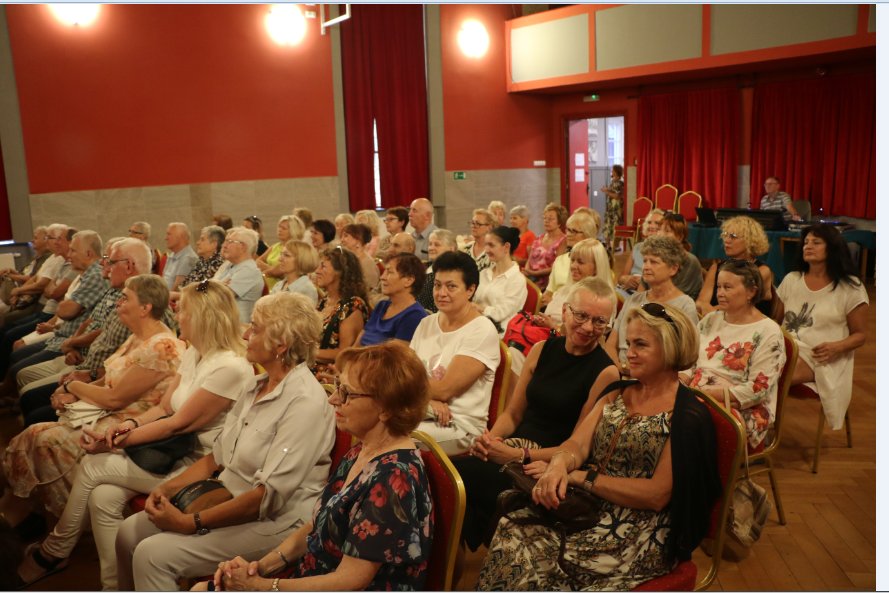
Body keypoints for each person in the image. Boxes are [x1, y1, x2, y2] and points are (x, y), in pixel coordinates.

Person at [14, 280, 255, 590]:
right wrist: (129, 425)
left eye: (182, 311)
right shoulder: (196, 352)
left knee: (92, 465)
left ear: (202, 317)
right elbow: (164, 407)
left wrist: (113, 441)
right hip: (172, 451)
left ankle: (54, 551)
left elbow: (177, 424)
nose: (176, 316)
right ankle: (114, 585)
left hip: (200, 464)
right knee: (102, 497)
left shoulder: (230, 367)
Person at [476, 302, 721, 590]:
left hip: (637, 531)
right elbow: (577, 445)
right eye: (629, 343)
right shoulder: (617, 391)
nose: (629, 353)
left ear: (671, 348)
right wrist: (559, 465)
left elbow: (656, 495)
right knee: (510, 525)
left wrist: (580, 477)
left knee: (529, 548)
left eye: (641, 344)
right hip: (587, 507)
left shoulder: (686, 415)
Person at [115, 291, 336, 591]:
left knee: (153, 555)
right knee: (129, 532)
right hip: (226, 496)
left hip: (276, 522)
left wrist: (191, 522)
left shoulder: (304, 403)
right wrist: (165, 489)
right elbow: (216, 457)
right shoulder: (256, 385)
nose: (245, 335)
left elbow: (265, 498)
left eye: (255, 329)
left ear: (281, 344)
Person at [195, 342, 433, 592]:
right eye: (337, 387)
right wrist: (259, 568)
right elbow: (317, 526)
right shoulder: (361, 451)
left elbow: (351, 581)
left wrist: (265, 586)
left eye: (347, 393)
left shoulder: (394, 478)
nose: (333, 399)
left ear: (386, 408)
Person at [452, 278, 620, 565]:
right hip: (514, 450)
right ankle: (449, 565)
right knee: (449, 480)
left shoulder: (606, 372)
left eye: (599, 321)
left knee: (454, 479)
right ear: (565, 311)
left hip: (545, 464)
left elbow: (578, 446)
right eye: (581, 315)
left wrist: (516, 454)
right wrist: (491, 440)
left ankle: (448, 567)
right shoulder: (542, 349)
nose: (588, 327)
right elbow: (513, 414)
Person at [2, 275, 185, 519]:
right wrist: (75, 391)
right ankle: (39, 513)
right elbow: (110, 378)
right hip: (108, 412)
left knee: (40, 437)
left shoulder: (162, 346)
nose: (118, 303)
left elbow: (115, 399)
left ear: (145, 308)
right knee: (34, 433)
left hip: (128, 426)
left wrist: (72, 387)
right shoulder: (139, 336)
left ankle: (59, 517)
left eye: (125, 298)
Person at [17, 239, 176, 429]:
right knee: (31, 398)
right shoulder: (127, 307)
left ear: (128, 266)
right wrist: (79, 364)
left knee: (34, 408)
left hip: (119, 408)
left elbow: (118, 394)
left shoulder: (151, 321)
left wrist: (74, 386)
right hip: (94, 374)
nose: (103, 264)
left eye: (110, 261)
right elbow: (96, 330)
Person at [680, 260, 786, 448]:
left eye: (727, 287)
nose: (720, 293)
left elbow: (759, 389)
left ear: (751, 292)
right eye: (719, 286)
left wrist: (703, 396)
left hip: (744, 406)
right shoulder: (710, 320)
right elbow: (689, 361)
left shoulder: (768, 331)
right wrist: (682, 379)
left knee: (684, 421)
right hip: (697, 394)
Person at [774, 223, 868, 431]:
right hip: (785, 348)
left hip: (821, 356)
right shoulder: (792, 279)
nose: (808, 246)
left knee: (769, 375)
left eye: (816, 242)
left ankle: (759, 426)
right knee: (749, 366)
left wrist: (836, 347)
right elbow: (775, 322)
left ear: (833, 247)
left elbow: (860, 335)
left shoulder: (850, 287)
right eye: (806, 242)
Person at [409, 251, 500, 456]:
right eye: (437, 285)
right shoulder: (426, 323)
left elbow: (444, 390)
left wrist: (424, 394)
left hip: (460, 427)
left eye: (451, 286)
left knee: (392, 436)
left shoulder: (481, 330)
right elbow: (405, 375)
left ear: (470, 290)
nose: (441, 293)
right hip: (423, 412)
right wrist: (427, 400)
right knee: (370, 420)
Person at [605, 236, 699, 370]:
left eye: (654, 262)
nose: (646, 267)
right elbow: (611, 343)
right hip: (620, 371)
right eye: (645, 261)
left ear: (673, 269)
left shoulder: (685, 305)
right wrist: (617, 368)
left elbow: (688, 354)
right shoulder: (633, 299)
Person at [696, 216, 774, 317]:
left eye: (733, 236)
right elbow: (700, 302)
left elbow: (737, 304)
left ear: (750, 241)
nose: (727, 240)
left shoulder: (761, 270)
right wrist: (705, 307)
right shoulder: (716, 268)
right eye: (726, 235)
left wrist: (712, 312)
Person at [312, 247, 370, 380]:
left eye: (323, 266)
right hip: (309, 366)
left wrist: (307, 352)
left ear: (340, 272)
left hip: (329, 374)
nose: (317, 271)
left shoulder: (353, 305)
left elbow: (345, 353)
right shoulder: (324, 301)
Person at [355, 253, 427, 347]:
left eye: (389, 272)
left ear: (409, 280)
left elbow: (394, 355)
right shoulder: (382, 306)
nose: (382, 277)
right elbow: (357, 345)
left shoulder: (415, 316)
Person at [473, 226, 525, 338]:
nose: (486, 250)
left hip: (499, 334)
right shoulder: (484, 273)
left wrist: (476, 307)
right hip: (477, 325)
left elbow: (499, 314)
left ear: (506, 247)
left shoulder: (517, 280)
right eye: (486, 245)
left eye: (491, 245)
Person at [542, 212, 598, 307]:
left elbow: (588, 298)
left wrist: (554, 302)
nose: (568, 234)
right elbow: (549, 291)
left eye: (574, 231)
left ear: (587, 234)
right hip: (552, 307)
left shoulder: (592, 261)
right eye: (568, 230)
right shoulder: (560, 259)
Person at [641, 212, 703, 300]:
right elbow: (641, 292)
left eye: (667, 231)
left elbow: (673, 298)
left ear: (680, 237)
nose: (660, 234)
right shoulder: (653, 257)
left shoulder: (689, 260)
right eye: (659, 229)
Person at [216, 227, 265, 324]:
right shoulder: (231, 266)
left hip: (237, 326)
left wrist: (216, 286)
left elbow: (217, 297)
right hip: (223, 321)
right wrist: (218, 286)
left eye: (229, 242)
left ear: (242, 247)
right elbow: (212, 288)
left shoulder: (249, 270)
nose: (224, 245)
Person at [616, 209, 665, 299]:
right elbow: (621, 277)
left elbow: (664, 283)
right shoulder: (637, 247)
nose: (651, 226)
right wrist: (626, 279)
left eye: (656, 223)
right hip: (625, 289)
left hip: (647, 295)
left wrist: (642, 282)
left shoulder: (666, 252)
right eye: (649, 222)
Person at [0, 226, 50, 309]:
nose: (32, 240)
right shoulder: (36, 256)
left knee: (2, 310)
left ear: (45, 241)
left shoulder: (46, 257)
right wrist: (11, 271)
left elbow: (32, 279)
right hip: (23, 291)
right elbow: (24, 274)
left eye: (36, 238)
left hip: (32, 296)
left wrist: (10, 275)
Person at [170, 225, 226, 300]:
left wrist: (177, 296)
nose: (198, 242)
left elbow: (202, 293)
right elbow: (185, 283)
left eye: (202, 240)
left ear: (214, 245)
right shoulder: (201, 260)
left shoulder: (217, 263)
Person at [525, 204, 568, 291]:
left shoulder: (563, 240)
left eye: (550, 219)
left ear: (559, 222)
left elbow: (558, 267)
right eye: (545, 218)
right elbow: (530, 260)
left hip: (548, 285)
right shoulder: (539, 238)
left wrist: (535, 273)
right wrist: (526, 271)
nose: (546, 221)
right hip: (531, 279)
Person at [257, 215, 305, 291]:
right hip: (267, 286)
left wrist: (266, 271)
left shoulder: (296, 249)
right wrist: (273, 269)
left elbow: (274, 272)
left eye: (283, 228)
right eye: (279, 227)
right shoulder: (275, 246)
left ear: (293, 231)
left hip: (284, 288)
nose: (279, 230)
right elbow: (257, 262)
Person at [417, 229, 457, 313]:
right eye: (430, 244)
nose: (431, 248)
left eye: (437, 245)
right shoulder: (422, 267)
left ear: (451, 248)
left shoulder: (452, 272)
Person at [269, 240, 320, 306]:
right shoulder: (278, 285)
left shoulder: (307, 290)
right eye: (281, 254)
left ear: (301, 260)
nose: (280, 259)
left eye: (286, 255)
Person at [340, 223, 381, 291]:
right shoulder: (348, 259)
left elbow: (368, 290)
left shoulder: (367, 264)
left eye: (345, 236)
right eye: (342, 236)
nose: (342, 240)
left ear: (358, 239)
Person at [162, 223, 199, 292]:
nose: (166, 238)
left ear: (182, 236)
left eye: (169, 234)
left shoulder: (188, 258)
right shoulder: (172, 255)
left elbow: (177, 290)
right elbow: (162, 281)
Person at [461, 209, 496, 273]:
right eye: (472, 223)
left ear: (489, 228)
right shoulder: (467, 249)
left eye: (478, 223)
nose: (473, 226)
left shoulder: (493, 251)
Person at [600, 164, 625, 248]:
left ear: (617, 172)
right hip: (610, 207)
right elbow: (612, 191)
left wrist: (607, 192)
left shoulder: (620, 183)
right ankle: (608, 245)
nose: (612, 171)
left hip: (616, 208)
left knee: (616, 226)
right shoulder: (613, 181)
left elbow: (618, 196)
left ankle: (616, 246)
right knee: (607, 225)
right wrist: (607, 189)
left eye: (613, 170)